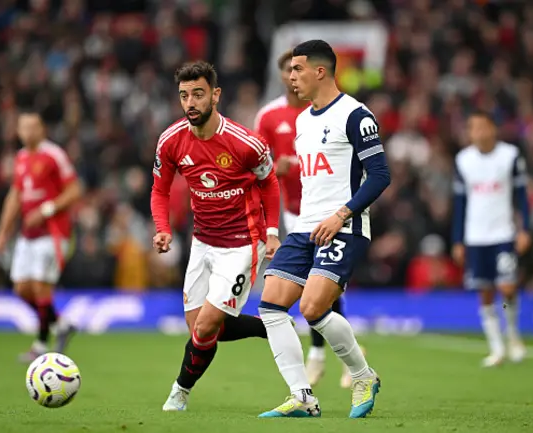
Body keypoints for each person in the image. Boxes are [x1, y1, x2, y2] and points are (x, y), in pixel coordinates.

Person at [257, 40, 390, 419]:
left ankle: (363, 376)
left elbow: (381, 175)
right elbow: (319, 172)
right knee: (271, 306)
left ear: (320, 71)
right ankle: (302, 396)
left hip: (343, 226)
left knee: (313, 308)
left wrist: (342, 214)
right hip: (304, 226)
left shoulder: (355, 115)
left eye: (297, 69)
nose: (290, 77)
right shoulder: (302, 121)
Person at [151, 61, 282, 411]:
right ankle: (270, 325)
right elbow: (160, 190)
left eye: (197, 94)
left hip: (242, 242)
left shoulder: (245, 143)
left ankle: (179, 392)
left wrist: (271, 232)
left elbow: (269, 182)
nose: (190, 102)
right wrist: (163, 229)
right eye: (184, 96)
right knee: (204, 329)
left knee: (207, 326)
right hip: (202, 241)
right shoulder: (171, 140)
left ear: (215, 95)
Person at [254, 48, 353, 388]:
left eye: (297, 69)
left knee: (321, 292)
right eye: (288, 71)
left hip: (329, 212)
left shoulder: (337, 114)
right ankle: (328, 362)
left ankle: (326, 358)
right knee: (286, 296)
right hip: (290, 210)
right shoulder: (270, 117)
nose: (291, 77)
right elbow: (256, 167)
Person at [0, 111, 82, 362]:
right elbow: (16, 195)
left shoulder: (54, 155)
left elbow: (74, 189)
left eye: (33, 127)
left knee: (40, 286)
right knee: (21, 288)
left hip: (53, 232)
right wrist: (3, 231)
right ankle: (62, 324)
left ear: (42, 129)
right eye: (23, 127)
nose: (28, 132)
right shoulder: (21, 158)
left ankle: (41, 344)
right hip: (27, 234)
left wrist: (46, 210)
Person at [452, 111, 530, 367]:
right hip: (476, 236)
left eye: (483, 127)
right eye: (474, 129)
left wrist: (524, 229)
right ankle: (496, 348)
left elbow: (521, 196)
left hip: (503, 233)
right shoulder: (463, 160)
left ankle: (514, 337)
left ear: (493, 129)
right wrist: (458, 240)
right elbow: (460, 203)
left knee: (507, 287)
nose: (479, 133)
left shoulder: (510, 156)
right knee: (484, 292)